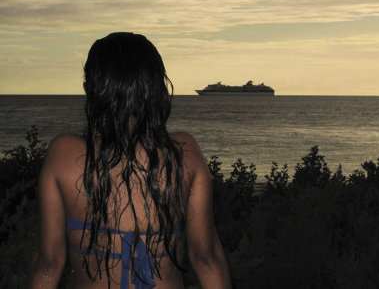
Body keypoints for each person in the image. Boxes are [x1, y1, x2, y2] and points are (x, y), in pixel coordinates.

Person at [28, 32, 231, 289]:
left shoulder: (63, 154)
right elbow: (206, 258)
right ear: (156, 88)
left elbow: (48, 264)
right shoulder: (183, 152)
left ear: (92, 88)